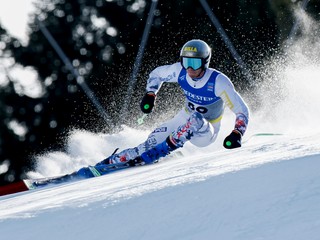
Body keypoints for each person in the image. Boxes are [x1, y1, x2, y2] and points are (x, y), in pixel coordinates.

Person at [96, 39, 250, 167]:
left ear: (205, 63)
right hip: (183, 118)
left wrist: (237, 133)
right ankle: (118, 160)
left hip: (206, 131)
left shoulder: (218, 82)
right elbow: (157, 74)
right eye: (186, 62)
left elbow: (241, 109)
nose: (189, 68)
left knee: (196, 119)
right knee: (153, 140)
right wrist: (151, 93)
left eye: (194, 64)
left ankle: (163, 149)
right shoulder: (180, 72)